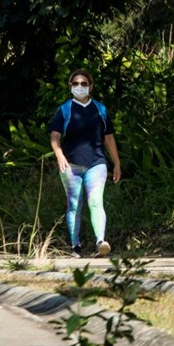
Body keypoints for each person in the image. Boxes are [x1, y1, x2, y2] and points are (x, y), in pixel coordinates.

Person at [47, 68, 121, 258]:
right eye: (75, 84)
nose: (79, 87)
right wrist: (59, 155)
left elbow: (109, 138)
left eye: (84, 84)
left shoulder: (100, 109)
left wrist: (117, 163)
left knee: (95, 202)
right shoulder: (64, 109)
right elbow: (55, 136)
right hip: (70, 166)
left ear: (91, 86)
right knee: (74, 205)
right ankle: (75, 245)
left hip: (97, 163)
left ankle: (100, 241)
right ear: (70, 86)